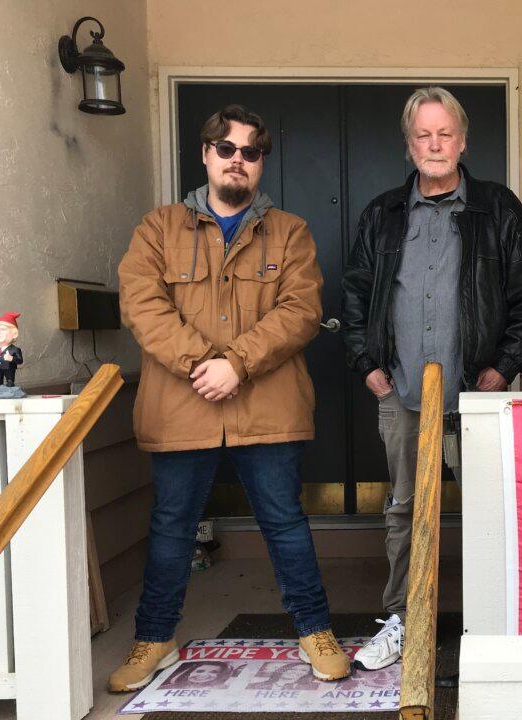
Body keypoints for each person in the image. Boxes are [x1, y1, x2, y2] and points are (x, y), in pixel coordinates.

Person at [111, 104, 350, 692]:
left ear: (261, 162)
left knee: (285, 522)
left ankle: (315, 630)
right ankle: (154, 637)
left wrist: (236, 363)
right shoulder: (158, 228)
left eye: (250, 151)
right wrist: (204, 364)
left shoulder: (289, 231)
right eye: (226, 148)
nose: (237, 160)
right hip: (181, 404)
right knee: (172, 526)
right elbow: (142, 304)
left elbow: (301, 310)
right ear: (205, 154)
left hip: (267, 405)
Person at [342, 86, 522, 670]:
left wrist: (500, 371)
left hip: (477, 398)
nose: (434, 145)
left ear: (462, 141)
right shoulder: (382, 214)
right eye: (423, 135)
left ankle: (494, 629)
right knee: (405, 511)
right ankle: (404, 619)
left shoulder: (497, 208)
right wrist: (369, 369)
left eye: (445, 134)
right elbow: (355, 297)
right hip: (402, 394)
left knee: (491, 511)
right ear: (409, 146)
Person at [158, 661, 235, 690]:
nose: (204, 674)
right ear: (189, 673)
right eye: (199, 671)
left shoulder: (224, 688)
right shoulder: (166, 688)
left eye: (213, 672)